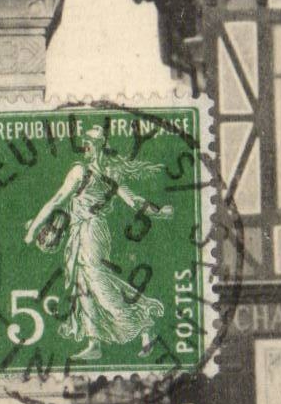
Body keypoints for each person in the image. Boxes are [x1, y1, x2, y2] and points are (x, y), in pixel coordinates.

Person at [23, 126, 174, 357]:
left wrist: (32, 231)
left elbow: (57, 201)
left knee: (98, 284)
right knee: (82, 284)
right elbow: (133, 201)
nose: (85, 146)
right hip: (82, 230)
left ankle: (144, 323)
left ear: (100, 146)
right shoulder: (103, 172)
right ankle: (94, 343)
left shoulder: (87, 172)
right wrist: (159, 212)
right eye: (85, 142)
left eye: (90, 142)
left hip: (91, 232)